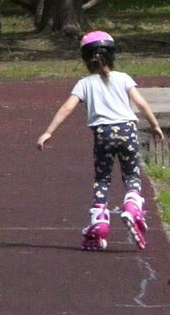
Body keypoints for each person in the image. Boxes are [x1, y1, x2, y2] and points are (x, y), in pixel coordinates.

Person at [36, 30, 164, 250]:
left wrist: (49, 132)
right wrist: (154, 125)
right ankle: (133, 204)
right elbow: (141, 104)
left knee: (103, 178)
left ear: (86, 59)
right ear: (112, 56)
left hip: (103, 135)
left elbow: (67, 107)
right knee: (131, 173)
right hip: (128, 131)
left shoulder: (84, 84)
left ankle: (100, 221)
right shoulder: (123, 78)